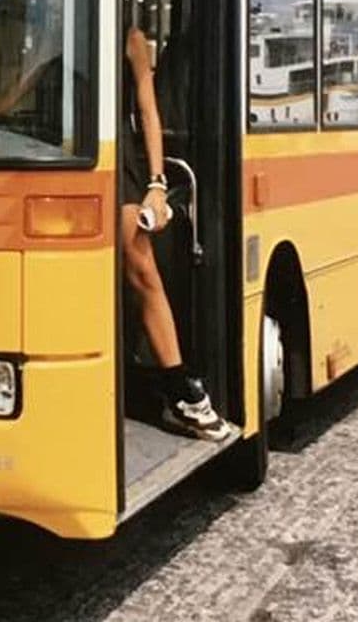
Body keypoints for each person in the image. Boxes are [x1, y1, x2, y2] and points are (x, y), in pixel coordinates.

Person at [122, 22, 232, 441]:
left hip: (122, 164)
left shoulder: (129, 38)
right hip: (65, 152)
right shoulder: (53, 21)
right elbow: (20, 89)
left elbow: (148, 110)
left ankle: (184, 392)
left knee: (141, 268)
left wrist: (155, 183)